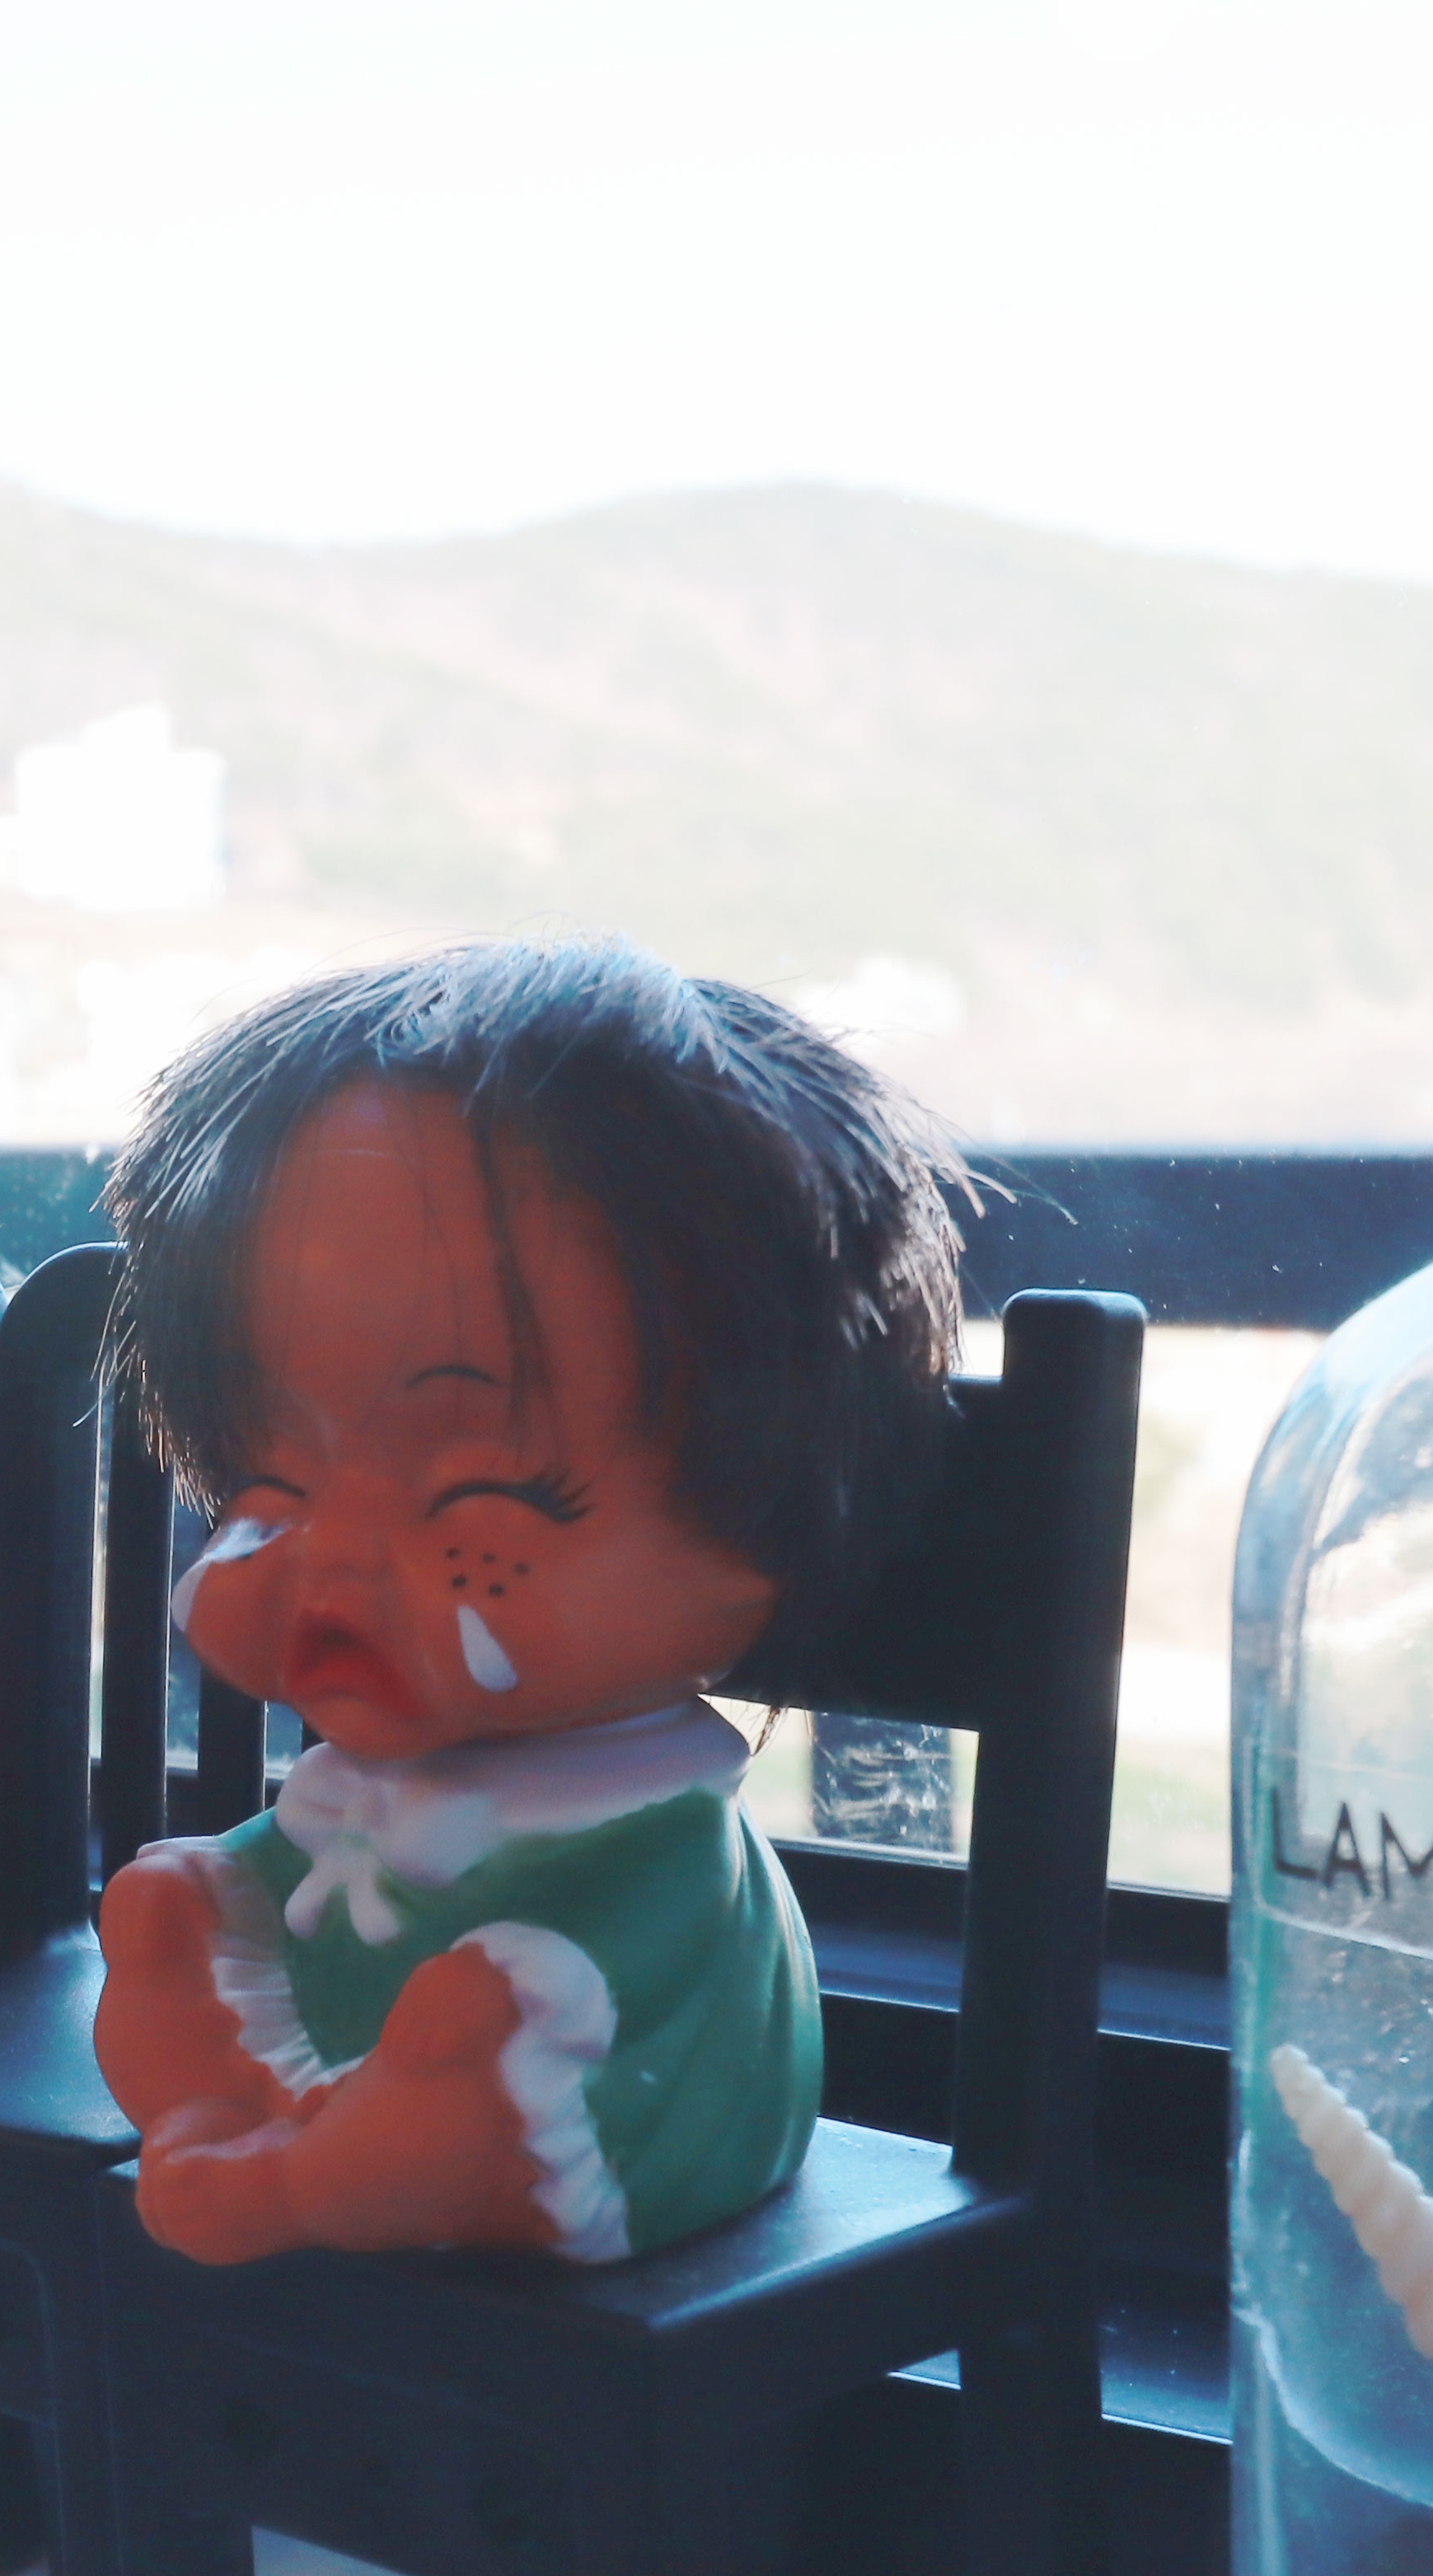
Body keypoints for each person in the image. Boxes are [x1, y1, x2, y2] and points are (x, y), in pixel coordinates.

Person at [91, 939, 965, 2262]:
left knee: (488, 2033)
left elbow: (623, 1974)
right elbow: (291, 1880)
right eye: (273, 1484)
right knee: (169, 1906)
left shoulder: (651, 1837)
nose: (335, 1557)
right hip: (349, 2045)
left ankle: (318, 2178)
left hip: (621, 2109)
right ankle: (250, 2128)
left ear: (768, 1513)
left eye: (477, 1506)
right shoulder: (368, 1786)